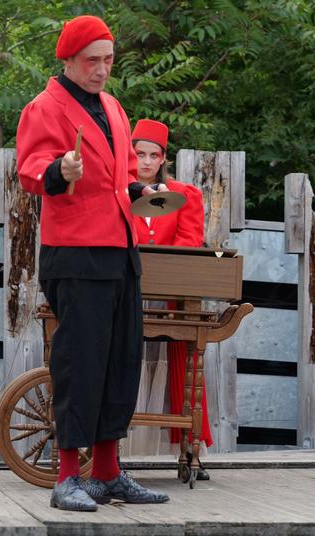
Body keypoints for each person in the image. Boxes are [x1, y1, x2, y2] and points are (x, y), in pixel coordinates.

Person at [16, 15, 169, 511]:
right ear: (69, 59)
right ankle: (67, 478)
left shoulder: (113, 107)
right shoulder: (45, 107)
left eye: (108, 60)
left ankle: (107, 472)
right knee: (81, 363)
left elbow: (121, 177)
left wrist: (141, 190)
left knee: (120, 361)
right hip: (77, 251)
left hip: (120, 250)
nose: (103, 70)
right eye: (93, 61)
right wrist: (59, 169)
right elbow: (31, 170)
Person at [130, 118, 212, 480]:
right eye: (139, 154)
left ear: (163, 158)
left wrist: (163, 272)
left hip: (170, 297)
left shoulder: (184, 194)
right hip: (127, 290)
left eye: (153, 155)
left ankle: (191, 447)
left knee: (182, 360)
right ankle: (109, 447)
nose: (146, 162)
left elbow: (190, 239)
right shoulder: (118, 191)